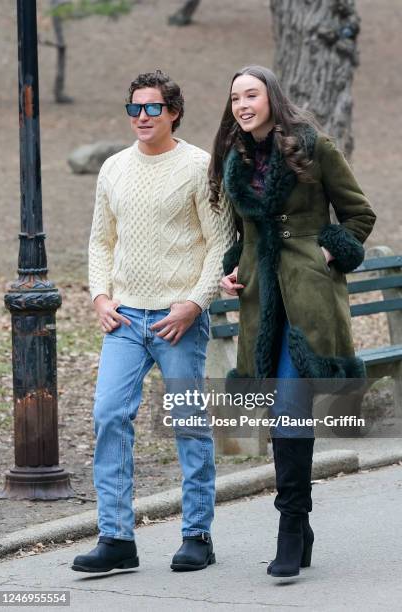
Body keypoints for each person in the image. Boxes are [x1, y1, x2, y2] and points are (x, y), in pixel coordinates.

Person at [209, 65, 376, 579]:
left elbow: (358, 215)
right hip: (261, 303)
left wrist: (329, 251)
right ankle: (299, 531)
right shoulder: (234, 157)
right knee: (281, 414)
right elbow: (244, 232)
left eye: (251, 93)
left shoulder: (312, 144)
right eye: (235, 95)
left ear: (271, 98)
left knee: (287, 410)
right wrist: (232, 270)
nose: (241, 103)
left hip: (308, 300)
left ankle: (289, 526)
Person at [72, 70, 234, 574]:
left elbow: (220, 245)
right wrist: (100, 296)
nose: (142, 117)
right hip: (124, 320)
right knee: (108, 416)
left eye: (152, 108)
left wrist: (193, 304)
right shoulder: (114, 169)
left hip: (177, 320)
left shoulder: (199, 167)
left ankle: (197, 534)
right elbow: (102, 240)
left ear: (173, 112)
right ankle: (117, 538)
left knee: (188, 425)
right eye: (134, 109)